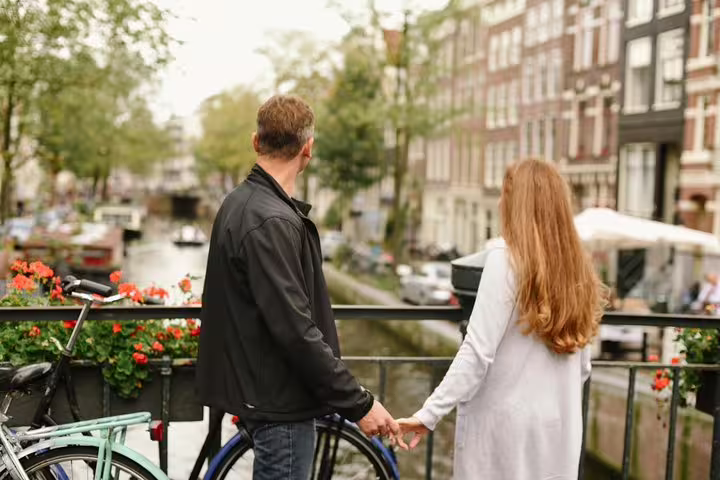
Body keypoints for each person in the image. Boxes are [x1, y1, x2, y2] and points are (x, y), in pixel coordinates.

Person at [196, 94, 404, 480]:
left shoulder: (238, 203)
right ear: (308, 149)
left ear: (256, 142)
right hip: (280, 405)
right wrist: (359, 404)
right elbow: (295, 329)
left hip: (259, 393)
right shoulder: (271, 221)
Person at [398, 159, 606, 479]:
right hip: (558, 433)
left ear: (516, 204)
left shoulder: (505, 260)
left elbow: (477, 351)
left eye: (504, 194)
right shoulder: (579, 272)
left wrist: (429, 413)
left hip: (504, 435)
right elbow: (583, 367)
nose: (498, 202)